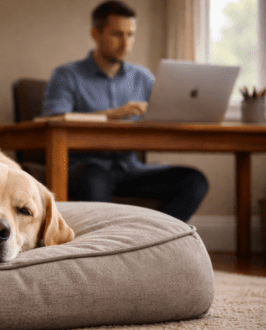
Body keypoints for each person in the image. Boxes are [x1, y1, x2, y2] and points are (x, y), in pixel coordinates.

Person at [42, 0, 208, 222]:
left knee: (194, 181)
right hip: (86, 168)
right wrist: (112, 114)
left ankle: (149, 240)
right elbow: (53, 120)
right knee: (94, 179)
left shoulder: (143, 78)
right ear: (96, 34)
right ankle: (105, 248)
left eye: (131, 35)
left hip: (131, 169)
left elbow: (165, 115)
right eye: (117, 34)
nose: (126, 43)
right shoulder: (66, 75)